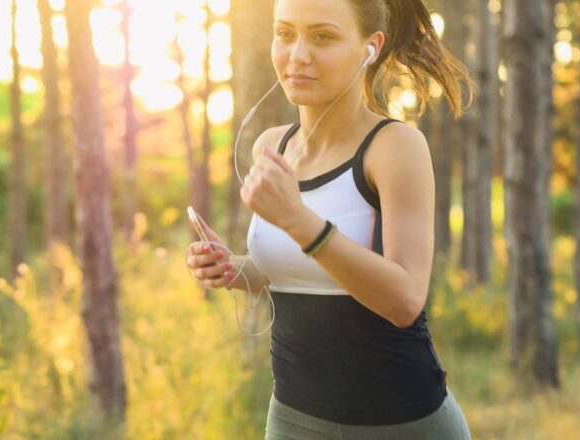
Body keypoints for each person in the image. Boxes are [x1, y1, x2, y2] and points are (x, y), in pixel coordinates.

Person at [185, 0, 474, 438]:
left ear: (369, 47)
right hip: (294, 418)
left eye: (322, 36)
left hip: (405, 422)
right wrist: (234, 268)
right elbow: (291, 271)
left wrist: (301, 221)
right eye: (285, 34)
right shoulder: (271, 145)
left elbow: (405, 300)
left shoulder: (395, 147)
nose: (297, 54)